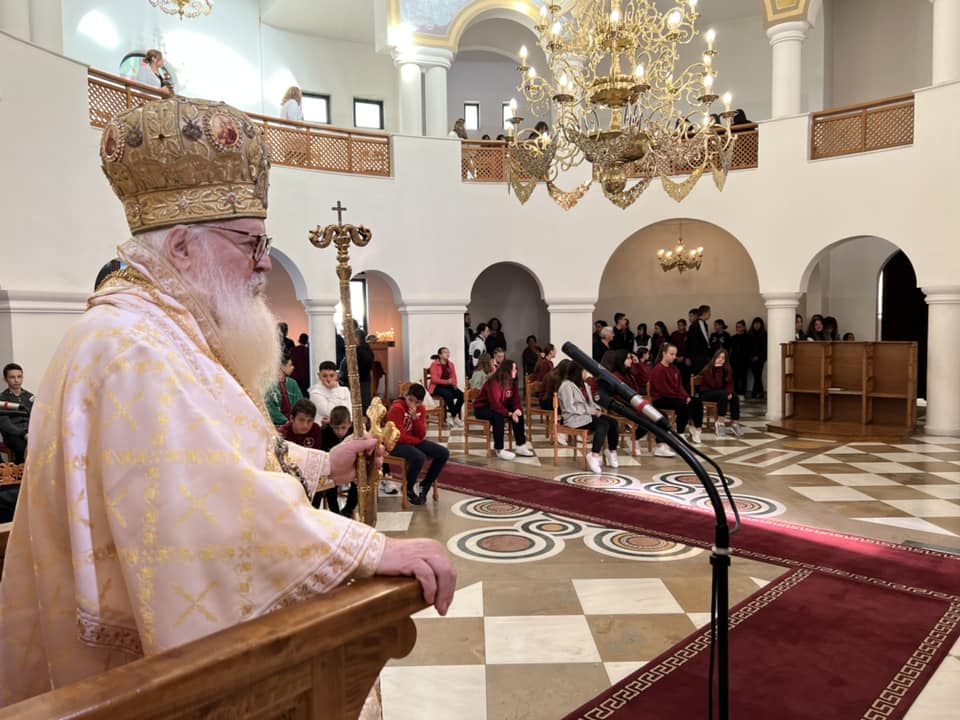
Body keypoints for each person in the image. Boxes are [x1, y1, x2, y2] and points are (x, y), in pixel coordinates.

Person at [0, 96, 455, 707]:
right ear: (182, 247)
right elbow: (206, 516)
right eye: (250, 243)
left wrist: (325, 464)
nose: (265, 265)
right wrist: (369, 548)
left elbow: (219, 456)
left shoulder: (164, 329)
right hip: (137, 685)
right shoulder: (132, 347)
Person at [386, 384, 450, 506]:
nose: (412, 405)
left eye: (417, 402)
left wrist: (415, 418)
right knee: (419, 456)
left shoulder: (421, 409)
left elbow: (421, 434)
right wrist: (418, 441)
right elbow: (399, 437)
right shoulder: (397, 408)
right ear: (406, 396)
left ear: (421, 402)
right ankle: (408, 487)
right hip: (395, 445)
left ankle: (425, 484)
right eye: (410, 400)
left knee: (443, 453)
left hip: (413, 442)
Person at [557, 362, 619, 473]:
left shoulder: (584, 385)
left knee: (613, 422)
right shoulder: (566, 386)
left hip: (586, 416)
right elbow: (569, 408)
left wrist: (597, 409)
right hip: (573, 418)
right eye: (584, 371)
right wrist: (591, 411)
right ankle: (594, 455)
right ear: (578, 372)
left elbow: (590, 403)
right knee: (603, 424)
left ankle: (611, 451)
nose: (586, 373)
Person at [474, 360, 535, 460]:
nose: (516, 371)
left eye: (516, 369)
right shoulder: (494, 382)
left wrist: (517, 410)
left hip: (499, 406)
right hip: (482, 408)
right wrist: (509, 414)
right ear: (506, 370)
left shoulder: (512, 382)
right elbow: (495, 404)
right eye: (513, 369)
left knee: (518, 414)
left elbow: (516, 399)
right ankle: (499, 449)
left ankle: (520, 445)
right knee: (498, 416)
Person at [650, 342, 704, 444]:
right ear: (664, 353)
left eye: (675, 354)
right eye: (671, 354)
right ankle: (680, 433)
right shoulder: (658, 369)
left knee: (697, 402)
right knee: (683, 406)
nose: (674, 357)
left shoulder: (674, 368)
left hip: (674, 396)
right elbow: (664, 391)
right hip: (661, 399)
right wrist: (682, 398)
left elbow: (679, 386)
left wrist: (686, 396)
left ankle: (697, 429)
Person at [317, 405, 360, 517]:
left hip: (351, 466)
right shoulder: (324, 432)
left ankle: (348, 509)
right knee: (329, 482)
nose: (340, 432)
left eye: (343, 427)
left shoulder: (355, 432)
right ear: (331, 425)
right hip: (332, 468)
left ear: (350, 424)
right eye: (336, 428)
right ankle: (335, 512)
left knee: (358, 480)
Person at [699, 349, 743, 437]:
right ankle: (720, 422)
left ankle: (734, 423)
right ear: (714, 357)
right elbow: (714, 385)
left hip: (720, 394)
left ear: (725, 360)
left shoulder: (726, 369)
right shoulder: (708, 369)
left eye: (723, 358)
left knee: (734, 396)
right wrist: (718, 369)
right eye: (718, 357)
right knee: (723, 394)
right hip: (706, 393)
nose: (720, 360)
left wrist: (729, 392)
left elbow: (730, 383)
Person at [0, 363, 33, 464]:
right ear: (5, 379)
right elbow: (5, 424)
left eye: (19, 376)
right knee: (22, 447)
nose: (16, 380)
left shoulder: (30, 397)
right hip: (13, 435)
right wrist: (23, 434)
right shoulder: (2, 399)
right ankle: (20, 470)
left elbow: (36, 418)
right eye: (12, 377)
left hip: (30, 433)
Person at [428, 347, 464, 427]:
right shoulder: (434, 364)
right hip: (437, 387)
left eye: (448, 352)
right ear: (440, 355)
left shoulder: (451, 364)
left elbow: (454, 377)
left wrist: (454, 385)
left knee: (462, 395)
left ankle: (452, 416)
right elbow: (434, 379)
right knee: (449, 395)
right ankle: (454, 416)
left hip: (448, 386)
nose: (447, 354)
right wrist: (447, 382)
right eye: (445, 352)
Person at [308, 360, 352, 424]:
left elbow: (350, 412)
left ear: (337, 375)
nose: (328, 379)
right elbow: (329, 412)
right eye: (324, 376)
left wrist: (333, 419)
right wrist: (334, 390)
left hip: (344, 426)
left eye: (332, 376)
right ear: (319, 376)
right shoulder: (315, 393)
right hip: (324, 427)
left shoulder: (345, 390)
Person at [266, 355, 303, 427]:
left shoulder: (293, 383)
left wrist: (296, 421)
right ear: (281, 366)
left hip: (294, 424)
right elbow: (271, 409)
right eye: (290, 365)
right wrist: (287, 423)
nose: (293, 367)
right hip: (275, 426)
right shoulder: (269, 384)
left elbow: (300, 403)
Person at [748, 317, 768, 399]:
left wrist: (758, 356)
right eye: (755, 323)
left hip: (761, 358)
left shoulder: (764, 334)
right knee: (756, 375)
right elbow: (748, 347)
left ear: (761, 325)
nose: (756, 325)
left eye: (758, 323)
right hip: (751, 358)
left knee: (758, 375)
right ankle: (759, 393)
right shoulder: (750, 334)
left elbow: (765, 348)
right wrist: (752, 357)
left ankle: (755, 392)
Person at [729, 319, 749, 398]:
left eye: (739, 326)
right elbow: (731, 350)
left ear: (744, 327)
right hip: (734, 361)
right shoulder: (733, 338)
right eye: (736, 327)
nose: (737, 328)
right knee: (735, 377)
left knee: (743, 377)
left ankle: (743, 393)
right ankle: (735, 393)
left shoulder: (748, 337)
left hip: (744, 361)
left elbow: (749, 350)